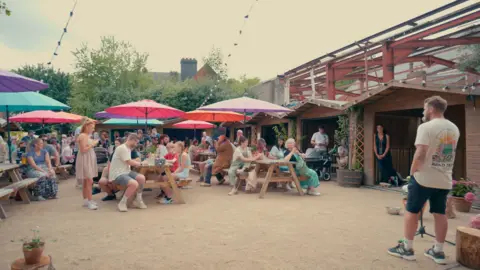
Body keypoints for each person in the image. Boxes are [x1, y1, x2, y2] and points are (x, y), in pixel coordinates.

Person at [387, 96, 460, 265]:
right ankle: (438, 251)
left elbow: (420, 153)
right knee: (440, 213)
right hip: (444, 178)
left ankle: (407, 248)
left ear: (432, 109)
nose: (423, 111)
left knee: (411, 211)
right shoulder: (454, 128)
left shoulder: (426, 127)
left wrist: (412, 172)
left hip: (424, 178)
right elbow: (445, 152)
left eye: (425, 108)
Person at [108, 134, 148, 212]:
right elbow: (129, 161)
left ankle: (138, 199)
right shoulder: (122, 148)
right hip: (117, 174)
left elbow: (128, 161)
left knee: (142, 178)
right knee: (134, 184)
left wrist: (137, 162)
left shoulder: (128, 148)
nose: (136, 145)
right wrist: (141, 163)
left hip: (126, 171)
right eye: (136, 142)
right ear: (132, 140)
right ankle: (122, 203)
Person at [76, 119, 99, 210]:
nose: (93, 129)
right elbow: (83, 150)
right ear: (87, 126)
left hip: (87, 158)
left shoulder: (85, 135)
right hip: (85, 159)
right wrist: (93, 144)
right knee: (89, 181)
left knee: (86, 181)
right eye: (92, 127)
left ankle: (86, 200)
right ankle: (89, 201)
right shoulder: (83, 136)